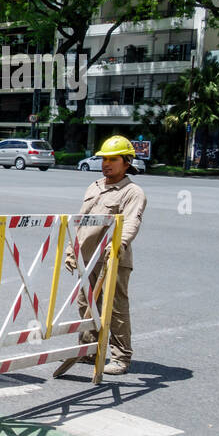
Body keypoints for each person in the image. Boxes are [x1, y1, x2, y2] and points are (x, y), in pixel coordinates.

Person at [55, 135, 147, 377]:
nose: (106, 164)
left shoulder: (132, 192)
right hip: (88, 257)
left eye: (113, 159)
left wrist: (119, 244)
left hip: (113, 258)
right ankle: (88, 350)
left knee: (114, 308)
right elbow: (81, 221)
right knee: (86, 304)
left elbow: (131, 223)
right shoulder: (95, 186)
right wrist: (71, 250)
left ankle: (120, 357)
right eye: (104, 159)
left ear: (126, 162)